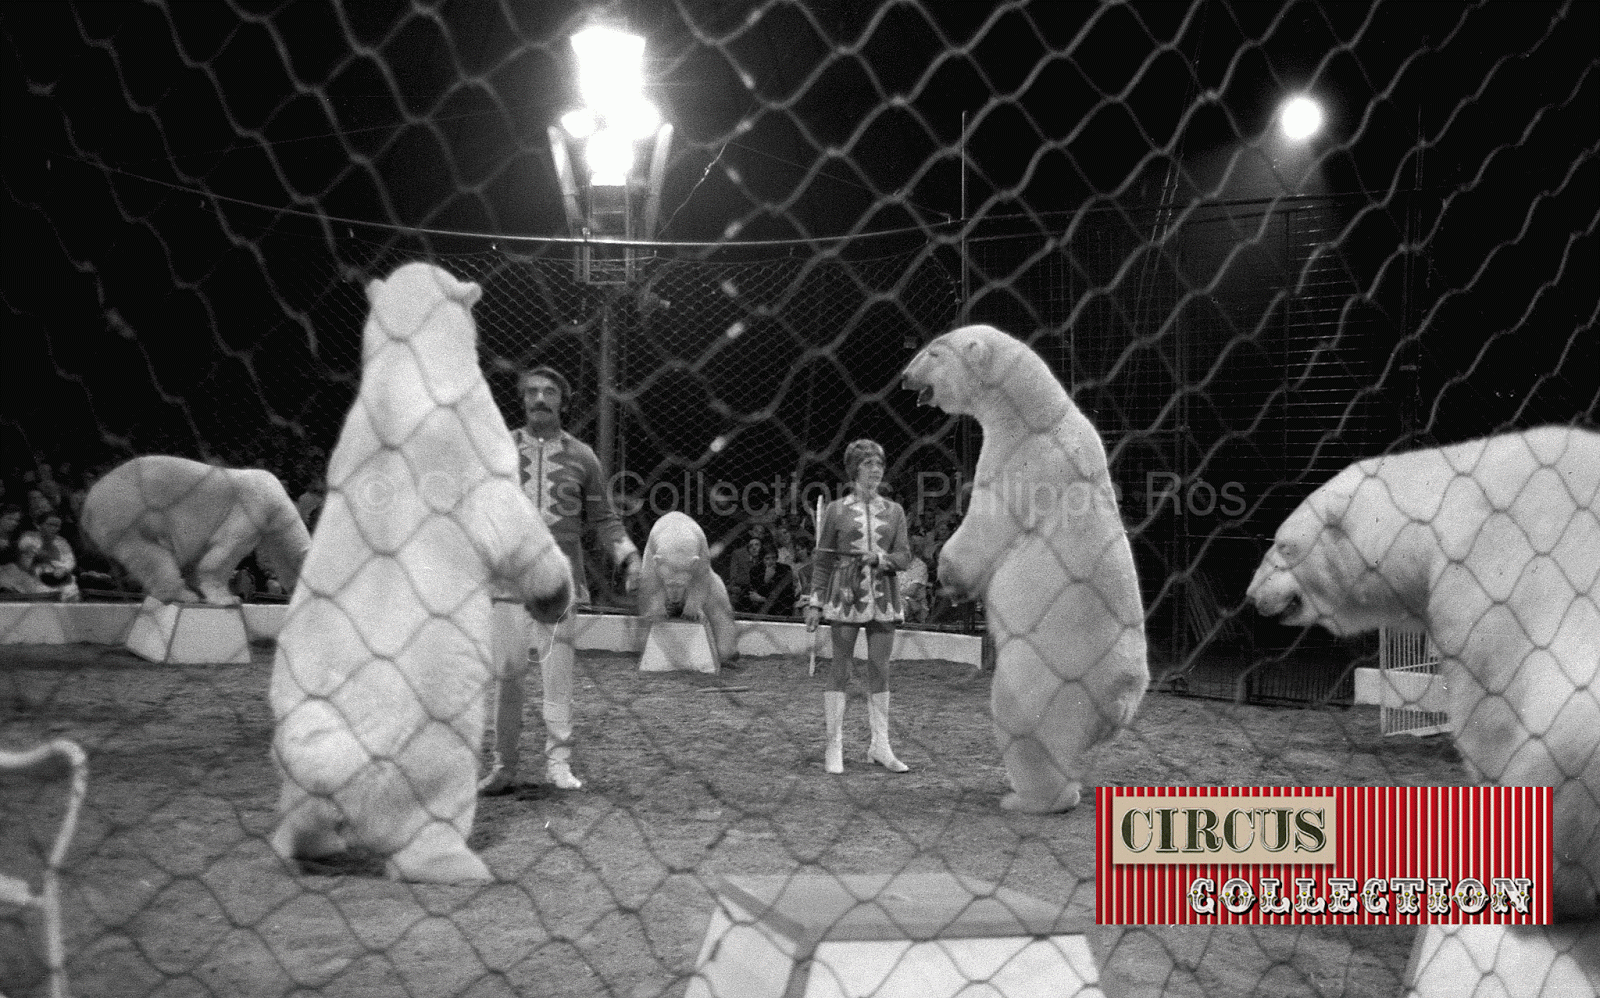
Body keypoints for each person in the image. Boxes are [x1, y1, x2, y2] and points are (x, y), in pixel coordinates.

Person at [482, 365, 641, 794]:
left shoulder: (583, 456)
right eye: (531, 391)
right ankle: (504, 767)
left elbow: (604, 518)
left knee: (558, 676)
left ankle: (558, 763)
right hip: (507, 581)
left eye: (549, 391)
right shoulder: (498, 449)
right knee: (508, 674)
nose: (539, 398)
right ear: (522, 399)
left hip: (559, 582)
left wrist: (628, 556)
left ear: (562, 400)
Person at [804, 439, 913, 774]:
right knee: (841, 668)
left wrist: (881, 558)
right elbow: (822, 561)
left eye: (879, 464)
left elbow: (905, 556)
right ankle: (833, 746)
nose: (875, 470)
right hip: (845, 595)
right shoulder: (836, 511)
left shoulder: (895, 511)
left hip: (883, 595)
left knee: (880, 668)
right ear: (854, 470)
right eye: (867, 464)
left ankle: (880, 746)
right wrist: (814, 602)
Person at [17, 511, 79, 601]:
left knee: (71, 591)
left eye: (57, 526)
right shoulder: (28, 539)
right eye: (50, 525)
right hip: (34, 579)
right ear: (39, 525)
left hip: (59, 578)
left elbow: (70, 560)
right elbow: (25, 564)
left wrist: (63, 569)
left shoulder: (62, 542)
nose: (54, 529)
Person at [747, 546, 794, 615]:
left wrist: (763, 599)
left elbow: (786, 595)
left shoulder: (785, 569)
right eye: (767, 559)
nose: (771, 561)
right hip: (761, 608)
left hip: (780, 608)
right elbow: (754, 594)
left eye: (773, 558)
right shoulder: (755, 571)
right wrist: (766, 579)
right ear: (762, 559)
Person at [723, 534, 761, 607]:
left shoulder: (766, 560)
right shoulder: (743, 559)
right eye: (750, 546)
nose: (754, 548)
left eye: (757, 545)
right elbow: (734, 576)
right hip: (742, 588)